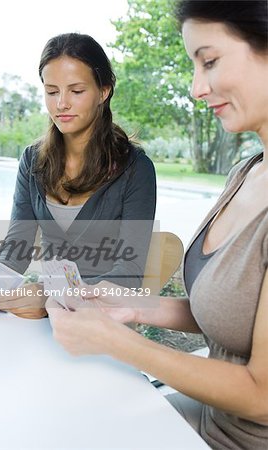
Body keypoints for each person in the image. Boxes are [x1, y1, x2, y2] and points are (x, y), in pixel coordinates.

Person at [46, 1, 268, 449]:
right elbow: (231, 313)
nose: (195, 88)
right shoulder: (247, 172)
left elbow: (262, 398)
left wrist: (120, 342)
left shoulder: (134, 168)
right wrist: (135, 306)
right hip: (208, 417)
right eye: (52, 90)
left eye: (209, 61)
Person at [0, 33, 156, 319]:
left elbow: (129, 275)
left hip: (102, 322)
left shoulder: (135, 169)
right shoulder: (32, 160)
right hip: (47, 320)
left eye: (76, 91)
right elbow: (17, 247)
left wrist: (50, 295)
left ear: (103, 91)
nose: (61, 104)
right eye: (52, 91)